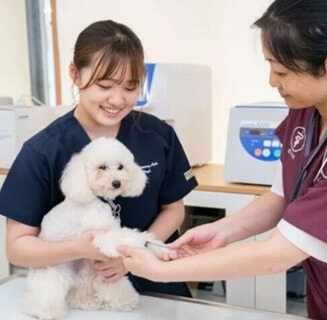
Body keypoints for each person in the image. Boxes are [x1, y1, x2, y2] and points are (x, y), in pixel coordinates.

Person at [117, 1, 327, 319]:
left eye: (281, 71)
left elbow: (276, 256)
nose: (272, 81)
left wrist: (161, 271)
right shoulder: (308, 108)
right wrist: (222, 231)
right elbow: (281, 196)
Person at [0, 20, 197, 297]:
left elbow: (174, 209)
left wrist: (134, 255)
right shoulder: (42, 151)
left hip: (157, 282)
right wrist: (79, 249)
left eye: (130, 88)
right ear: (75, 74)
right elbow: (17, 247)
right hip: (82, 294)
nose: (117, 100)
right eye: (105, 85)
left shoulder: (158, 135)